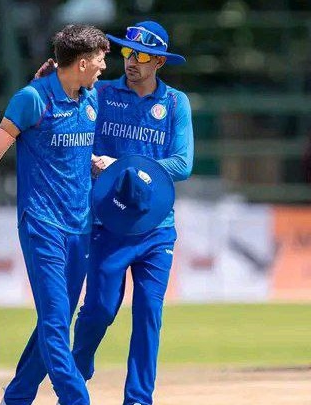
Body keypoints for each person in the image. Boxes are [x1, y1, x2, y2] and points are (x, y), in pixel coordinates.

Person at [0, 24, 109, 405]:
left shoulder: (91, 97)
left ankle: (16, 399)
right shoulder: (31, 99)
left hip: (81, 226)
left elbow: (71, 153)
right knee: (56, 324)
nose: (103, 67)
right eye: (99, 59)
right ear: (81, 63)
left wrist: (94, 162)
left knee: (55, 322)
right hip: (43, 224)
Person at [33, 20, 193, 405]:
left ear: (159, 62)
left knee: (149, 314)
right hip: (108, 222)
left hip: (156, 228)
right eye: (126, 52)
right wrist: (46, 82)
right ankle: (75, 374)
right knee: (100, 309)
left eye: (141, 56)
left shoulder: (175, 103)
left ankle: (138, 398)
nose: (131, 61)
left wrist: (123, 165)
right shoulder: (100, 92)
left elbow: (183, 163)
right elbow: (61, 110)